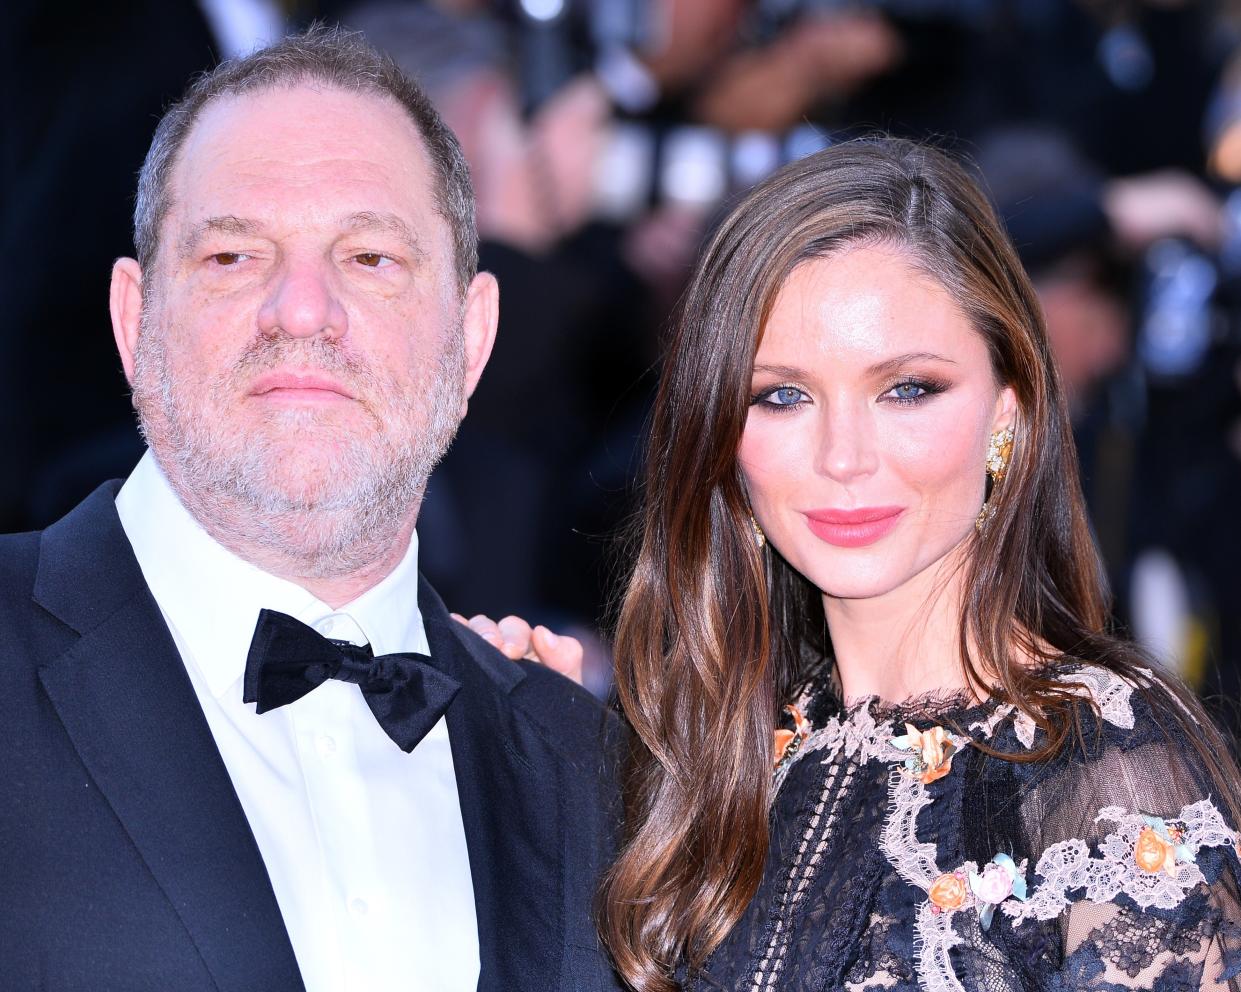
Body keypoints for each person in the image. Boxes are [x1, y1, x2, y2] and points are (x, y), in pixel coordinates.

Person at [496, 137, 1241, 990]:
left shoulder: (1108, 768)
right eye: (781, 396)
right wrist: (528, 741)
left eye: (906, 388)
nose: (841, 457)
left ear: (1009, 411)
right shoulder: (695, 747)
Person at [0, 27, 622, 992]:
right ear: (134, 323)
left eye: (369, 258)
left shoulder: (581, 765)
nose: (301, 310)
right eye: (234, 256)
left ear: (471, 339)